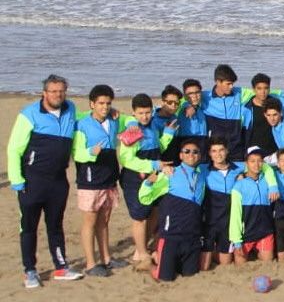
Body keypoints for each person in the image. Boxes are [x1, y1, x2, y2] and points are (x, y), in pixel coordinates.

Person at [7, 74, 83, 286]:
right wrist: (17, 180)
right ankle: (30, 271)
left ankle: (61, 267)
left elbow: (82, 122)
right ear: (44, 93)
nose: (58, 95)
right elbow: (14, 149)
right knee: (29, 227)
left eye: (61, 91)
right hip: (32, 180)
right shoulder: (29, 114)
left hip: (58, 180)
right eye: (53, 91)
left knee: (55, 225)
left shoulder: (71, 109)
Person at [114, 92, 175, 271]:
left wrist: (168, 134)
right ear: (134, 113)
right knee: (139, 216)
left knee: (154, 211)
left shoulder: (153, 126)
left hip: (154, 176)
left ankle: (142, 247)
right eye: (140, 113)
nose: (145, 116)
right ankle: (141, 252)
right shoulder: (132, 130)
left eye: (147, 112)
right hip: (135, 178)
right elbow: (127, 160)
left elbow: (158, 147)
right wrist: (153, 165)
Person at [71, 84, 124, 277]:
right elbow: (77, 153)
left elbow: (130, 121)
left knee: (104, 220)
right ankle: (91, 263)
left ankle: (106, 258)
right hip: (90, 179)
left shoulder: (113, 120)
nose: (105, 107)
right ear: (92, 104)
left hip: (109, 177)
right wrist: (91, 152)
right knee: (90, 221)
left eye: (108, 103)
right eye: (101, 103)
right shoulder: (82, 124)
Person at [138, 138, 207, 282]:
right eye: (186, 151)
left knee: (190, 275)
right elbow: (145, 198)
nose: (191, 154)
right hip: (171, 236)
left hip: (192, 237)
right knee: (165, 278)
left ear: (200, 156)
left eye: (195, 152)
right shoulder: (170, 174)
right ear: (180, 155)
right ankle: (149, 264)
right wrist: (149, 181)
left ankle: (161, 259)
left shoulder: (202, 174)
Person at [228, 147, 277, 263]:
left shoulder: (269, 181)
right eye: (252, 161)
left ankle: (258, 251)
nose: (256, 164)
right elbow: (235, 215)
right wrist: (237, 240)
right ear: (246, 163)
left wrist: (273, 186)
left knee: (268, 262)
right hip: (246, 234)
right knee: (240, 264)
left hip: (265, 232)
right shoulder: (238, 186)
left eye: (259, 161)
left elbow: (270, 169)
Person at [202, 136, 243, 270]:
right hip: (209, 222)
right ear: (209, 153)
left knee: (226, 263)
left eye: (221, 150)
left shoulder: (239, 168)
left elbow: (262, 165)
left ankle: (216, 252)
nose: (218, 154)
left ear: (227, 151)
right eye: (214, 151)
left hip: (228, 223)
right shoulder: (202, 169)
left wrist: (244, 177)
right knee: (204, 267)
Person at [200, 64, 247, 161]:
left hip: (236, 148)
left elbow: (261, 91)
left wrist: (282, 95)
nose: (231, 87)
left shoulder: (239, 93)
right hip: (215, 150)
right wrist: (190, 106)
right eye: (228, 84)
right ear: (218, 82)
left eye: (232, 84)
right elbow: (186, 98)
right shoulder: (205, 97)